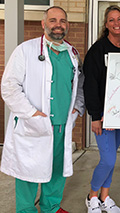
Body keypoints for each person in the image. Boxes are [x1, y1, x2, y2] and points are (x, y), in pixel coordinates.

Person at [0, 6, 84, 213]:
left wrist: (76, 109)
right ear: (43, 23)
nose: (58, 25)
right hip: (34, 123)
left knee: (57, 170)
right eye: (53, 20)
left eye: (63, 21)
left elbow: (79, 86)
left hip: (62, 124)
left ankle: (51, 207)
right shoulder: (25, 50)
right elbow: (9, 87)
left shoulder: (72, 53)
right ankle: (26, 210)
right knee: (27, 171)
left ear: (67, 25)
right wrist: (31, 113)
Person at [83, 5, 120, 213]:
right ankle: (92, 196)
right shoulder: (98, 50)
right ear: (106, 24)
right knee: (108, 158)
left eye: (119, 19)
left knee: (112, 157)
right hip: (104, 116)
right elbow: (90, 85)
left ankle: (105, 197)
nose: (116, 23)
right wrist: (95, 116)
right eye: (112, 20)